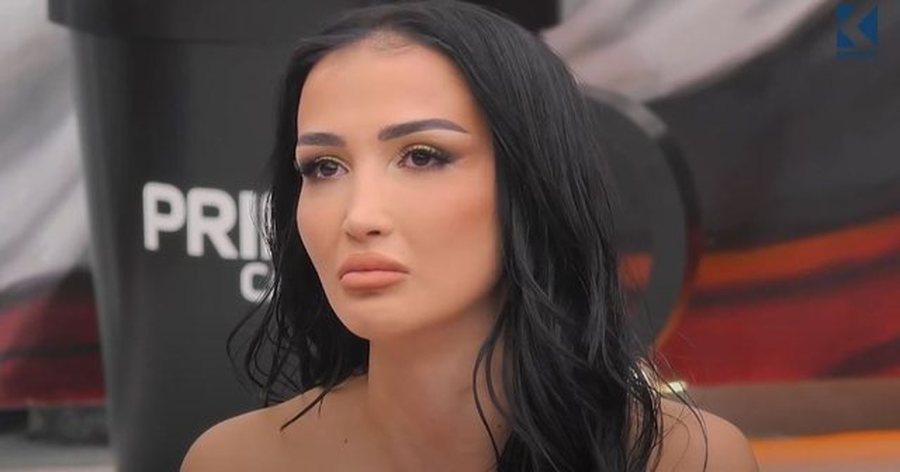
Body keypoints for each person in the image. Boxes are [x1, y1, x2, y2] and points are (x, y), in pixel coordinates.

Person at [181, 1, 758, 470]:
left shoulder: (687, 460)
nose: (358, 216)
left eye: (422, 156)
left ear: (529, 181)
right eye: (324, 167)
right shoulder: (236, 461)